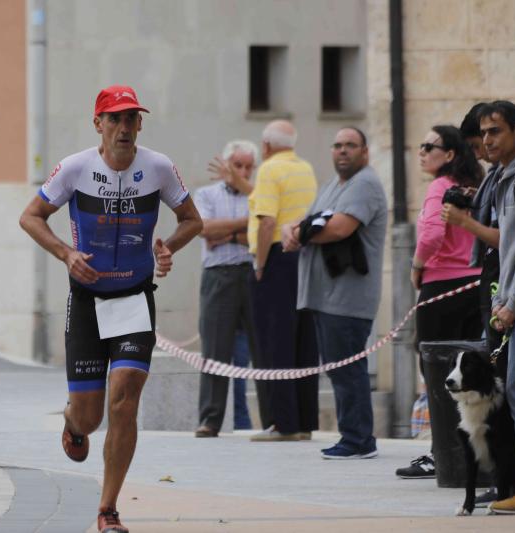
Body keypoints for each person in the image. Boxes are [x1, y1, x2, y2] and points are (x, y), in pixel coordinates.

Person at [19, 85, 201, 532]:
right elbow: (30, 216)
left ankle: (108, 509)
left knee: (124, 402)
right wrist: (66, 254)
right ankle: (72, 421)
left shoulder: (158, 168)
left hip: (135, 299)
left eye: (131, 118)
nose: (124, 127)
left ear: (140, 124)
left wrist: (167, 247)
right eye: (114, 119)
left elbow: (193, 220)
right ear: (97, 124)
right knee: (91, 416)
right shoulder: (75, 168)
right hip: (86, 301)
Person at [282, 126, 387, 459]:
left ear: (365, 152)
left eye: (351, 145)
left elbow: (339, 228)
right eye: (338, 145)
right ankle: (353, 436)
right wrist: (293, 227)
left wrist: (301, 231)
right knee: (338, 367)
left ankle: (358, 439)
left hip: (347, 298)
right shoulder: (333, 185)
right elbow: (309, 219)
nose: (343, 151)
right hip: (325, 296)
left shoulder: (365, 184)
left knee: (347, 368)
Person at [395, 125, 484, 480]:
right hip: (474, 285)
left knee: (436, 374)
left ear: (449, 155)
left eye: (428, 146)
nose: (421, 151)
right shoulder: (474, 187)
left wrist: (416, 266)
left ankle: (440, 452)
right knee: (470, 372)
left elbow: (432, 233)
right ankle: (469, 449)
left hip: (442, 286)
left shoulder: (439, 187)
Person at [440, 106, 504, 505]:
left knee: (514, 387)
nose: (482, 148)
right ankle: (506, 480)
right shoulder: (497, 176)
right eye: (480, 137)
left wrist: (465, 223)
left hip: (507, 290)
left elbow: (514, 240)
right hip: (494, 285)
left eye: (487, 136)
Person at [246, 120, 319, 442]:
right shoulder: (306, 168)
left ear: (265, 145)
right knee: (304, 341)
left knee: (276, 342)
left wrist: (260, 266)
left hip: (276, 257)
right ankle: (304, 422)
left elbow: (267, 222)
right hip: (304, 256)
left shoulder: (268, 170)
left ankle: (283, 423)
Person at [193, 140, 269, 437]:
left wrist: (230, 233)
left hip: (253, 273)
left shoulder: (259, 194)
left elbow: (264, 231)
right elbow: (204, 229)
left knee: (262, 349)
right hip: (219, 276)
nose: (244, 172)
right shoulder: (206, 194)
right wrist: (245, 225)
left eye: (249, 167)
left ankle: (271, 418)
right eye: (238, 165)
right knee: (214, 349)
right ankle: (210, 420)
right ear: (226, 166)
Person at [482, 100, 515, 514]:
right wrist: (502, 298)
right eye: (483, 132)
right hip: (514, 301)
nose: (486, 140)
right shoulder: (505, 177)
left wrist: (513, 301)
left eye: (495, 131)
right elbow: (512, 249)